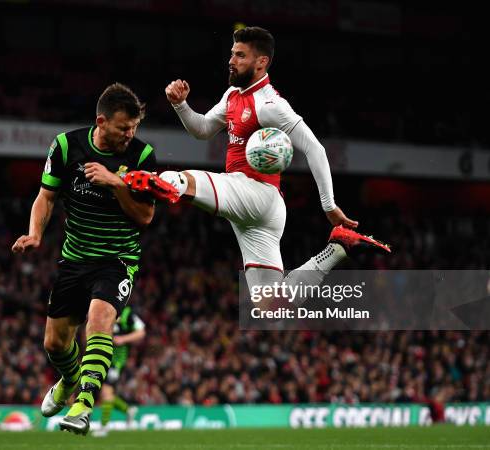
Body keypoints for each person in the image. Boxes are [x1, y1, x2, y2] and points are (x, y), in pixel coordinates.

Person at [128, 26, 389, 303]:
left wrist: (329, 205)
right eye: (232, 54)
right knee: (271, 305)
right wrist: (181, 105)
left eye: (240, 55)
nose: (231, 61)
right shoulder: (232, 95)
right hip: (259, 210)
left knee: (184, 181)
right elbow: (202, 129)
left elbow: (315, 148)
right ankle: (338, 247)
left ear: (261, 62)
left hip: (256, 192)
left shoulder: (270, 104)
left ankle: (159, 181)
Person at [11, 83, 156, 436]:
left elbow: (146, 216)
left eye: (134, 127)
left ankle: (83, 405)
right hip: (75, 259)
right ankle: (68, 379)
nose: (130, 134)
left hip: (118, 259)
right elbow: (46, 197)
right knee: (55, 344)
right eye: (124, 127)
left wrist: (116, 183)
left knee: (99, 320)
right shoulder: (65, 146)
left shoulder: (141, 155)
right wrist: (35, 234)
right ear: (101, 121)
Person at [93, 305, 146, 437]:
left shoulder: (127, 313)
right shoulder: (103, 309)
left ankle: (104, 427)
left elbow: (141, 332)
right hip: (102, 357)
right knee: (106, 395)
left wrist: (123, 339)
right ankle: (128, 410)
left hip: (116, 361)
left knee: (106, 392)